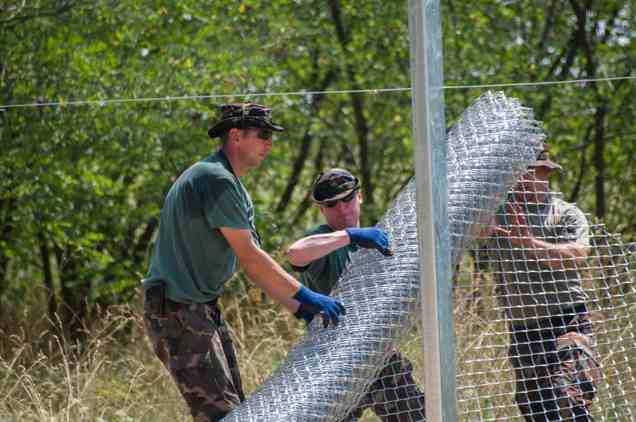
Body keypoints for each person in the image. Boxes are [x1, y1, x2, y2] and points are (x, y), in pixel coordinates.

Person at [142, 103, 346, 422]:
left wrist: (301, 311)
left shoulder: (231, 184)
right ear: (236, 136)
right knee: (222, 415)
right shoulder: (215, 179)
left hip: (198, 308)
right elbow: (250, 257)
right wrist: (306, 298)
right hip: (179, 309)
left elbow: (256, 266)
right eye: (263, 135)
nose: (270, 143)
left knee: (237, 410)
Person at [287, 168, 426, 422]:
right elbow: (295, 253)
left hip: (380, 353)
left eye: (348, 199)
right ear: (322, 210)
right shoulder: (323, 240)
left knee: (416, 416)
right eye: (332, 204)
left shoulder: (378, 240)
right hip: (335, 361)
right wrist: (349, 235)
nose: (342, 209)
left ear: (359, 196)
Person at [484, 144, 601, 421]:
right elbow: (465, 233)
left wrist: (530, 243)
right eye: (514, 175)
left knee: (568, 399)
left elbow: (577, 255)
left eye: (527, 173)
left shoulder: (566, 214)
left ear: (545, 171)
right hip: (523, 327)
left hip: (566, 321)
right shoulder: (498, 214)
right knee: (535, 409)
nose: (520, 181)